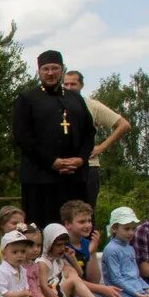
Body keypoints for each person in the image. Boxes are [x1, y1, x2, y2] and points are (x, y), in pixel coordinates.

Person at [12, 50, 95, 229]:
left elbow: (89, 132)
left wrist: (81, 159)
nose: (50, 73)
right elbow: (23, 137)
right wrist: (52, 161)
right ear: (39, 71)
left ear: (62, 69)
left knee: (78, 227)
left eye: (55, 68)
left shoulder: (75, 99)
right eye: (46, 69)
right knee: (42, 228)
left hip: (74, 176)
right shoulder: (27, 99)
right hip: (40, 178)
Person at [62, 70, 132, 211]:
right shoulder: (56, 105)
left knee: (86, 210)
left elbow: (124, 125)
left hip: (88, 166)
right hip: (63, 167)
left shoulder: (92, 106)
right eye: (66, 84)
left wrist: (102, 147)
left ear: (81, 85)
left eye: (73, 84)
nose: (69, 87)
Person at [0, 206, 27, 271]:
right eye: (14, 223)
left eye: (21, 224)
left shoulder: (23, 241)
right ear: (1, 224)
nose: (19, 227)